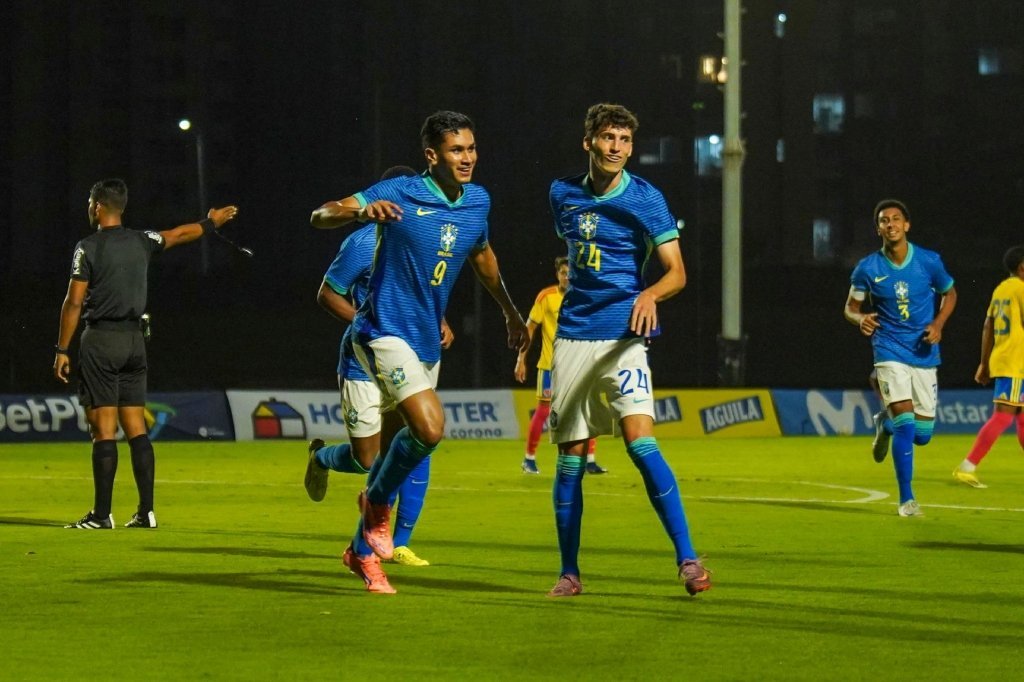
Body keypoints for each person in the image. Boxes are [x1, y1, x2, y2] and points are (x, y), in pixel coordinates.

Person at [310, 110, 529, 593]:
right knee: (429, 429)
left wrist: (511, 313)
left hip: (426, 342)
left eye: (471, 148)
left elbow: (484, 260)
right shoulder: (398, 193)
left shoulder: (477, 201)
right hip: (382, 333)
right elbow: (321, 214)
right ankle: (377, 509)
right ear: (432, 156)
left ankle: (360, 553)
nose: (467, 158)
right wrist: (359, 211)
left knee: (385, 455)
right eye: (457, 150)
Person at [545, 103, 710, 598]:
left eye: (624, 140)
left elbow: (676, 272)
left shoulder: (647, 199)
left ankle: (687, 558)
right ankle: (569, 573)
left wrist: (649, 293)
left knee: (641, 444)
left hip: (624, 339)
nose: (616, 148)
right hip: (573, 337)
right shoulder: (561, 194)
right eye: (608, 138)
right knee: (571, 456)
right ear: (588, 142)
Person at [53, 178, 239, 529]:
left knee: (103, 430)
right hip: (135, 343)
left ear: (96, 207)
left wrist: (62, 348)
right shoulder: (142, 240)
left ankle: (101, 514)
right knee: (136, 427)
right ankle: (146, 511)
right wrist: (209, 222)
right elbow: (178, 234)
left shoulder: (87, 247)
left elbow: (74, 301)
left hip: (102, 341)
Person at [305, 165, 449, 567]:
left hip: (412, 353)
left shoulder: (421, 238)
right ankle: (320, 458)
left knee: (421, 439)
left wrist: (438, 321)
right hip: (362, 359)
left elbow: (425, 291)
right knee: (368, 458)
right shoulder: (363, 240)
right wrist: (371, 328)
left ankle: (398, 541)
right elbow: (327, 294)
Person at [844, 198, 957, 517]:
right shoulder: (868, 268)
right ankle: (907, 500)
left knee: (922, 435)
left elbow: (951, 292)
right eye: (883, 220)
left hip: (923, 352)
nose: (890, 224)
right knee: (908, 425)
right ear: (878, 228)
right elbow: (851, 308)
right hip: (888, 349)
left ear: (906, 225)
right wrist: (860, 318)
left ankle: (885, 425)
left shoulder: (928, 261)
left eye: (896, 219)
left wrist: (938, 323)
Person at [514, 256, 604, 475]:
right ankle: (529, 459)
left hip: (580, 363)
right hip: (550, 366)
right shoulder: (546, 297)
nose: (567, 277)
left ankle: (590, 461)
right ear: (558, 275)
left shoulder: (584, 296)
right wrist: (521, 359)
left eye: (570, 273)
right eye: (563, 273)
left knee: (588, 409)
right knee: (544, 411)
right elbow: (530, 329)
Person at [952, 245, 1024, 488]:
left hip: (1006, 359)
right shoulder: (1021, 289)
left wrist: (984, 363)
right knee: (1004, 416)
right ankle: (967, 466)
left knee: (1022, 418)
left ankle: (968, 466)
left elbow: (987, 325)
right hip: (1015, 363)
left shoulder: (1002, 289)